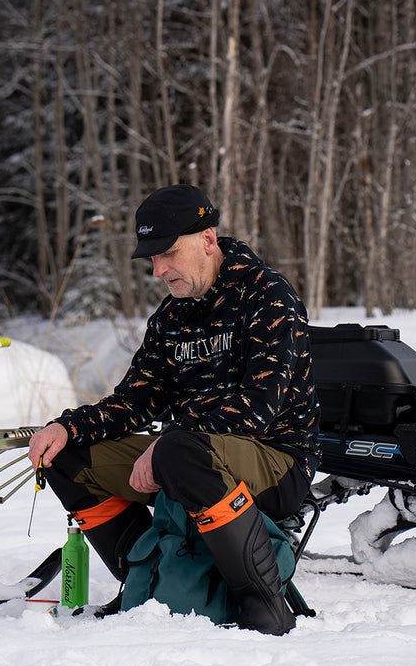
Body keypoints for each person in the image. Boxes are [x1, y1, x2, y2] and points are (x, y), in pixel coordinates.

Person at [28, 184, 317, 635]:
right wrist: (67, 427)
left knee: (179, 450)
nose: (159, 269)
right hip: (186, 457)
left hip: (277, 462)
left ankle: (263, 602)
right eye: (152, 258)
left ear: (207, 239)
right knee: (66, 456)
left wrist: (170, 443)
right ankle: (146, 584)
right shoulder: (171, 316)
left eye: (169, 253)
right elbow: (134, 400)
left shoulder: (267, 296)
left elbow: (258, 409)